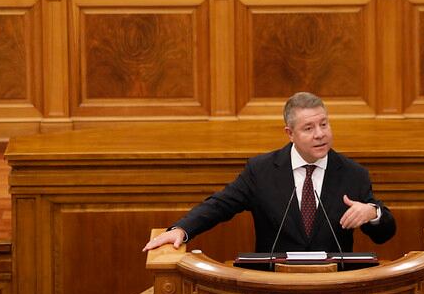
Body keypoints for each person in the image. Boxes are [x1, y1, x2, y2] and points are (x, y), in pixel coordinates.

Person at [143, 91, 396, 254]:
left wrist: (372, 213)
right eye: (309, 128)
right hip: (272, 285)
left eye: (324, 124)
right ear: (290, 133)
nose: (320, 134)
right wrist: (180, 230)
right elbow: (219, 205)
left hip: (336, 285)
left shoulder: (353, 173)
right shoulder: (262, 170)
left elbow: (384, 234)